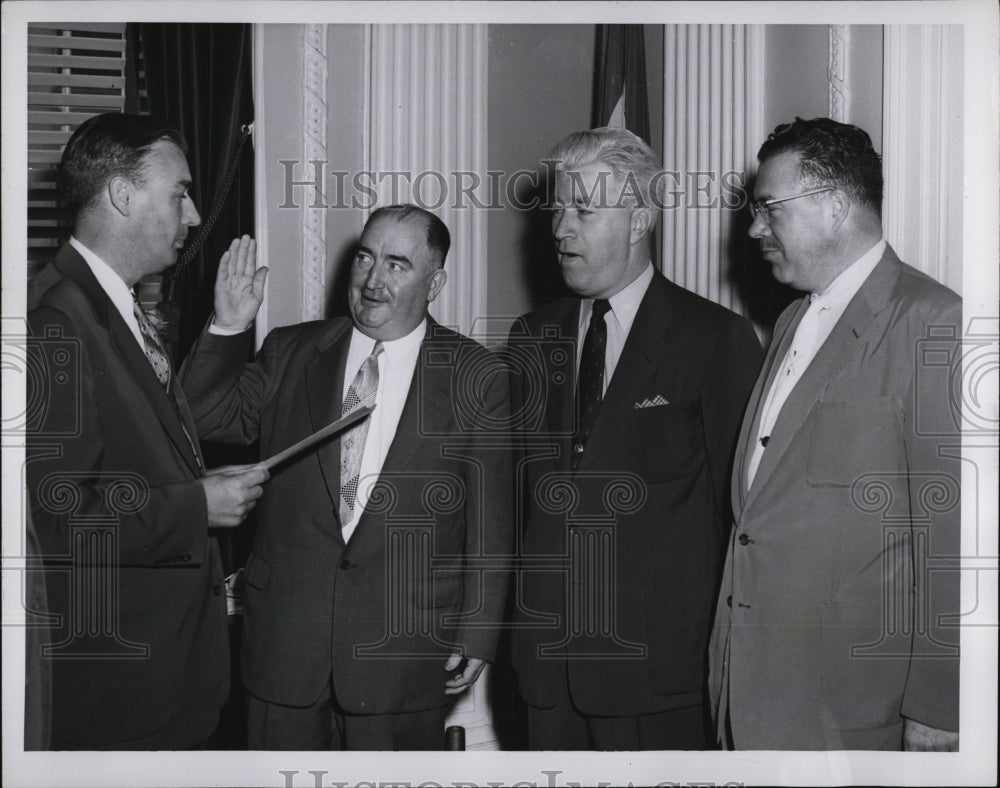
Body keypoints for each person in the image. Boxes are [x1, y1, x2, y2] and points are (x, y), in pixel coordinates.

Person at [179, 204, 513, 750]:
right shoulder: (291, 350)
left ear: (436, 282)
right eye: (365, 257)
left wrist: (478, 631)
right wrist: (229, 325)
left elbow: (491, 519)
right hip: (286, 647)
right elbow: (205, 417)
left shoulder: (477, 374)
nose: (372, 280)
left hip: (403, 652)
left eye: (397, 264)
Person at [708, 117, 962, 750]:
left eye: (769, 208)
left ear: (836, 205)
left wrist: (941, 707)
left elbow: (955, 538)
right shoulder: (793, 318)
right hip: (751, 694)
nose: (753, 228)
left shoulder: (935, 320)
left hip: (849, 711)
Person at [508, 127, 763, 750]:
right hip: (545, 673)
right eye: (559, 210)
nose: (561, 229)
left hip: (658, 677)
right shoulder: (530, 337)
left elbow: (744, 521)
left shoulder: (715, 339)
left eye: (584, 211)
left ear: (640, 218)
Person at [26, 112, 269, 749]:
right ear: (122, 195)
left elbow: (146, 447)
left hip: (161, 675)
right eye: (180, 193)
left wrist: (225, 328)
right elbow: (60, 518)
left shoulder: (107, 304)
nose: (192, 216)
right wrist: (199, 505)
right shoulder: (56, 321)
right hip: (123, 694)